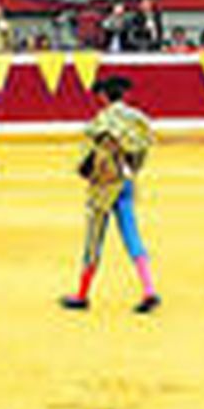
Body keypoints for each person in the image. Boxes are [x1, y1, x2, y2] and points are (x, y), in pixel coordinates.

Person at [61, 76, 161, 314]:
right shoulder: (136, 118)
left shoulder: (101, 121)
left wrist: (87, 170)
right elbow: (145, 143)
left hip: (104, 187)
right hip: (125, 182)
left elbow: (86, 159)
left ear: (104, 97)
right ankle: (149, 289)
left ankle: (82, 294)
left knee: (93, 240)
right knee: (132, 235)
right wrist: (133, 166)